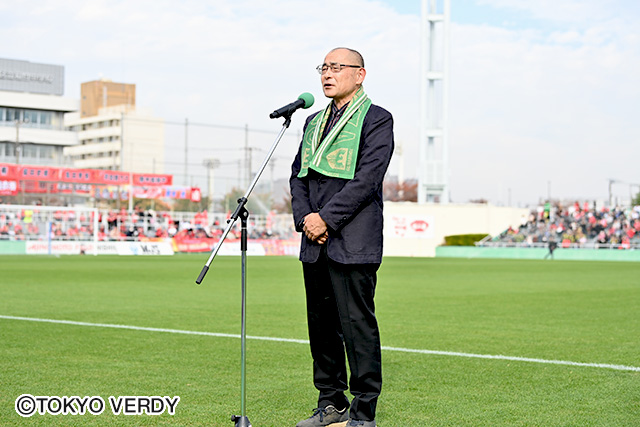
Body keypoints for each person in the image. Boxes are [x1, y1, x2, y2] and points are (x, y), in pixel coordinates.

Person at [290, 47, 394, 427]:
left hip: (353, 240)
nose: (327, 74)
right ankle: (330, 401)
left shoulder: (377, 120)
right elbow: (298, 176)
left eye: (337, 67)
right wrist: (306, 219)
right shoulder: (312, 122)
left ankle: (364, 412)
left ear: (360, 74)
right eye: (324, 67)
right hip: (314, 241)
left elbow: (368, 179)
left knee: (357, 326)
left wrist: (326, 220)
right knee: (320, 327)